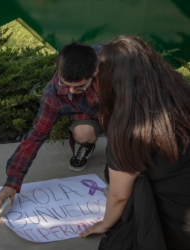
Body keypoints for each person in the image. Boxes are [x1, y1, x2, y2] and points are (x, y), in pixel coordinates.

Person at [79, 35, 190, 249]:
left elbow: (120, 196)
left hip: (179, 228)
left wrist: (105, 223)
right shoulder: (181, 96)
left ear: (113, 82)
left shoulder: (129, 127)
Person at [0, 42, 104, 212]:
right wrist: (12, 182)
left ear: (94, 72)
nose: (71, 91)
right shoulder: (53, 94)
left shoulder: (116, 70)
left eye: (79, 86)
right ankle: (86, 144)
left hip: (120, 109)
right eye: (66, 85)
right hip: (87, 112)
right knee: (83, 134)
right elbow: (35, 136)